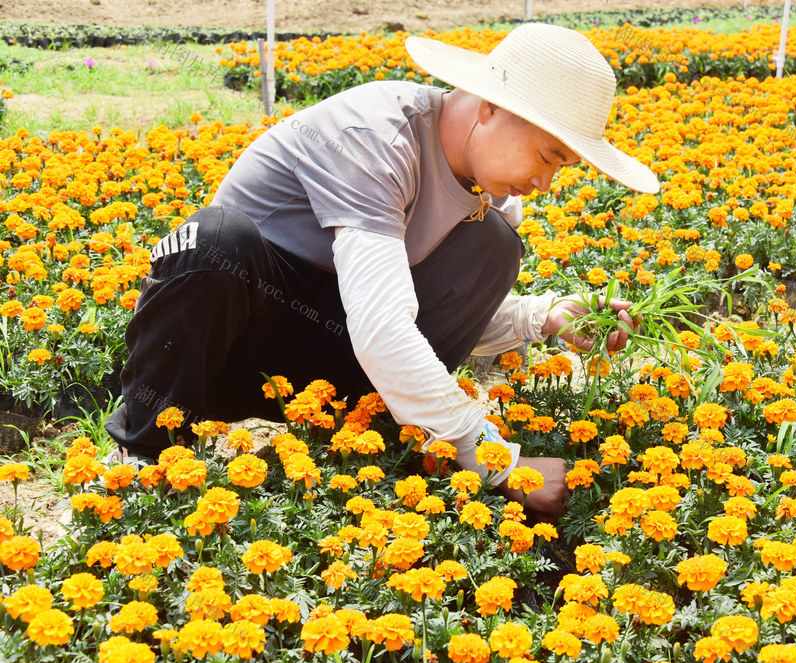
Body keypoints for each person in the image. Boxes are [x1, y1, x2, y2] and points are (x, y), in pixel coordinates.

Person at [103, 22, 658, 520]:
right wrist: (493, 460)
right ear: (490, 107)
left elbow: (424, 310)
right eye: (547, 156)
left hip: (339, 369)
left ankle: (381, 437)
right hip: (231, 349)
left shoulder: (491, 193)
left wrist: (543, 318)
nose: (545, 185)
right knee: (216, 239)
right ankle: (143, 452)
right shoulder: (377, 136)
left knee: (495, 243)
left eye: (562, 167)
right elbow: (382, 328)